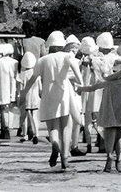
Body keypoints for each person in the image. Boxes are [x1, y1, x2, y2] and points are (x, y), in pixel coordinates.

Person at [78, 35, 121, 174]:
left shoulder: (111, 78)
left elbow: (95, 86)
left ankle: (109, 157)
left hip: (110, 110)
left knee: (110, 134)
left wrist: (81, 88)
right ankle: (119, 160)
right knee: (119, 135)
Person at [32, 30, 85, 170]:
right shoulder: (68, 56)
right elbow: (78, 77)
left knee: (53, 126)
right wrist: (78, 84)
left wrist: (24, 92)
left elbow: (33, 78)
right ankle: (64, 158)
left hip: (48, 94)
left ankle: (55, 143)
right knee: (66, 126)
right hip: (65, 94)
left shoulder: (43, 60)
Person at [18, 51, 41, 144]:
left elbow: (20, 88)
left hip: (25, 97)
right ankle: (36, 134)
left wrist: (19, 98)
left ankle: (25, 134)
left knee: (24, 116)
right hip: (35, 97)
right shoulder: (36, 74)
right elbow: (40, 88)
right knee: (35, 115)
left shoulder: (22, 75)